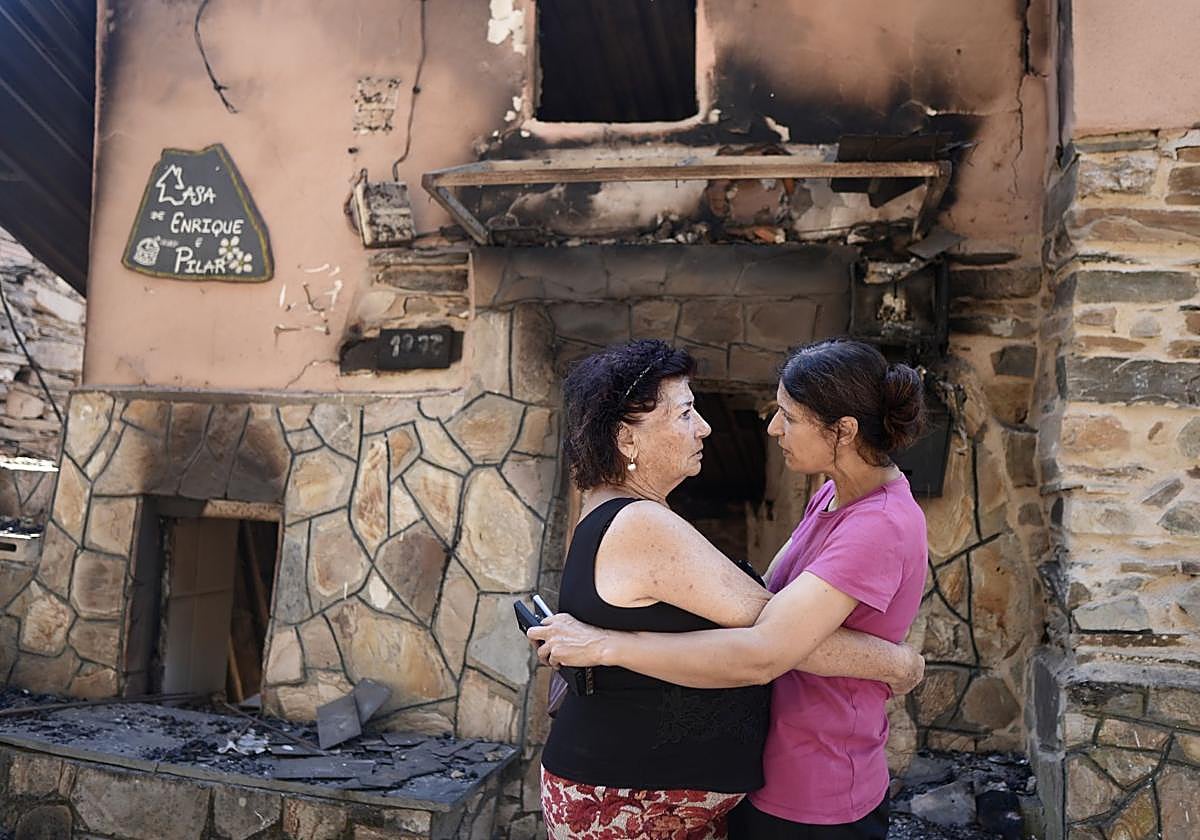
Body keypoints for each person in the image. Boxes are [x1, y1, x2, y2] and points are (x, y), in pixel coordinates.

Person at [532, 339, 926, 840]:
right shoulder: (644, 523)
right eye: (685, 414)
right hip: (641, 796)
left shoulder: (872, 517)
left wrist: (607, 645)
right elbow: (769, 635)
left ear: (843, 431)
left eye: (789, 416)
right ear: (627, 439)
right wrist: (894, 663)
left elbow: (771, 628)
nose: (707, 427)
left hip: (812, 779)